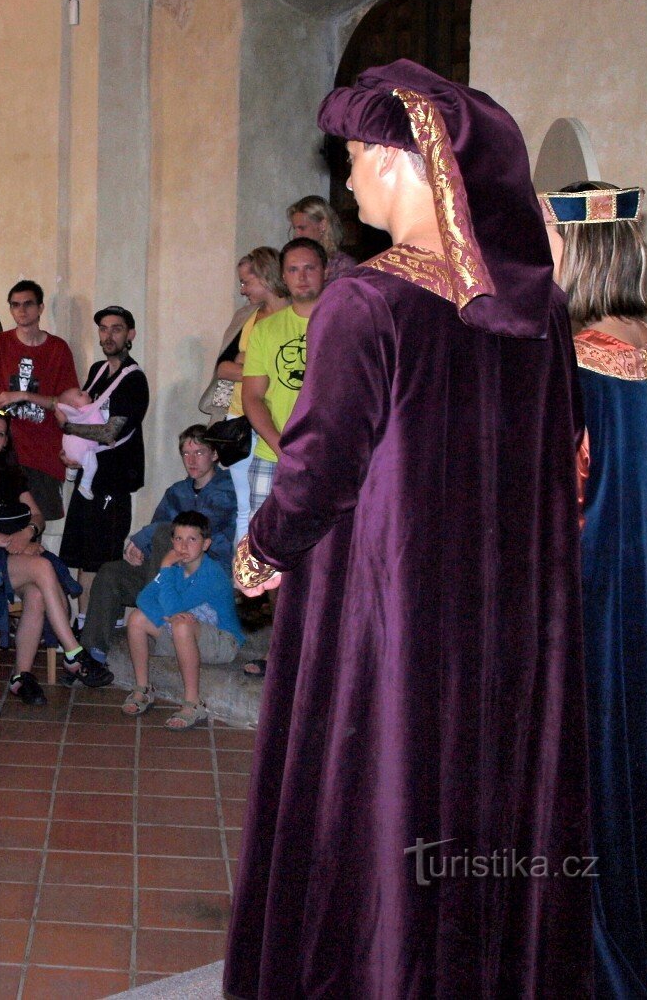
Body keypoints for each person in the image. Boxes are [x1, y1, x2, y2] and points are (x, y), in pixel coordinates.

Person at [224, 60, 591, 996]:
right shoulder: (539, 309)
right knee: (477, 798)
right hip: (504, 618)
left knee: (381, 800)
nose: (345, 179)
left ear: (399, 161)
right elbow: (570, 468)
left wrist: (261, 547)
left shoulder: (370, 298)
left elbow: (316, 469)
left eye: (353, 157)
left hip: (386, 612)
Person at [544, 181, 647, 997]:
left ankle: (588, 959)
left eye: (548, 238)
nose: (538, 252)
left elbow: (554, 497)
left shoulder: (571, 358)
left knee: (584, 774)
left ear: (585, 250)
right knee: (638, 762)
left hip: (587, 598)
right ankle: (641, 947)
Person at [0, 411, 112, 705]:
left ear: (5, 442)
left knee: (37, 593)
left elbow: (37, 515)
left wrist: (28, 533)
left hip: (20, 554)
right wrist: (12, 543)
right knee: (42, 565)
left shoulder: (13, 475)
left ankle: (20, 677)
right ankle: (73, 651)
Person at [79, 424, 237, 663]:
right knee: (111, 572)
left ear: (214, 455)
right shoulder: (177, 491)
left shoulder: (227, 488)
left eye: (199, 452)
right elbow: (158, 538)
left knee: (166, 531)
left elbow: (194, 528)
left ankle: (157, 615)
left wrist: (141, 538)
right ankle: (93, 654)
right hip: (166, 571)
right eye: (186, 453)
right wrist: (139, 551)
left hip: (204, 573)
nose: (191, 460)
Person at [120, 511, 242, 730]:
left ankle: (193, 703)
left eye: (192, 539)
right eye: (178, 539)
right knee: (137, 618)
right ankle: (143, 689)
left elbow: (176, 608)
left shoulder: (212, 573)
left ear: (206, 544)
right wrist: (165, 614)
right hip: (186, 635)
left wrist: (165, 569)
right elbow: (143, 598)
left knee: (182, 624)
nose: (183, 546)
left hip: (224, 643)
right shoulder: (176, 569)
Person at [55, 306, 148, 589]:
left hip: (113, 481)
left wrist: (68, 430)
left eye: (116, 329)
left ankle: (104, 624)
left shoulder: (134, 380)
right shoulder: (97, 371)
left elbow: (110, 432)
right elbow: (80, 411)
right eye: (104, 329)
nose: (108, 335)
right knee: (83, 557)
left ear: (130, 334)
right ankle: (82, 623)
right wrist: (71, 452)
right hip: (89, 477)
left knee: (103, 560)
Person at [0, 280, 79, 522]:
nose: (21, 310)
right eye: (15, 305)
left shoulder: (58, 349)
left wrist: (23, 395)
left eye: (28, 304)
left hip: (43, 452)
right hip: (5, 452)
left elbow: (67, 404)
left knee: (36, 525)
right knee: (1, 521)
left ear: (40, 308)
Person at [240, 237, 327, 512]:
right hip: (273, 456)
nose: (301, 277)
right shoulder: (266, 329)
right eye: (292, 269)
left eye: (309, 268)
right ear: (283, 276)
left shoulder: (347, 322)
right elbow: (252, 397)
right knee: (264, 547)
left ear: (325, 271)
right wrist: (281, 447)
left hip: (328, 456)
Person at [211, 247, 289, 540]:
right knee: (247, 505)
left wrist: (248, 366)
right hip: (239, 417)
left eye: (247, 282)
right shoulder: (246, 317)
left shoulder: (296, 315)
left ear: (266, 277)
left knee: (276, 501)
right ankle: (245, 579)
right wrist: (259, 371)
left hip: (279, 415)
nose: (242, 290)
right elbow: (223, 368)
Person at [287, 194, 359, 280]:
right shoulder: (294, 262)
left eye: (302, 228)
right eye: (295, 229)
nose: (296, 235)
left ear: (322, 225)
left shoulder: (343, 267)